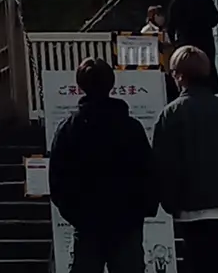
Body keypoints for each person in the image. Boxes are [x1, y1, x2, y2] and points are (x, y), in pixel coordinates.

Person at [47, 57, 158, 272]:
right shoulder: (131, 127)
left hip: (87, 222)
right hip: (127, 222)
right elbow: (148, 171)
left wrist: (74, 214)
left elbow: (57, 179)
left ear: (80, 86)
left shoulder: (69, 129)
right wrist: (142, 209)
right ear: (111, 84)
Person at [152, 45, 218, 272]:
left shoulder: (171, 114)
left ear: (179, 76)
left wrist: (170, 202)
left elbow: (164, 165)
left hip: (190, 210)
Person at [167, 0, 218, 93]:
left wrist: (175, 44)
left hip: (185, 42)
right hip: (205, 40)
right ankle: (212, 93)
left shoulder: (177, 1)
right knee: (207, 66)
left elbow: (170, 27)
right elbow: (215, 18)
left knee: (187, 69)